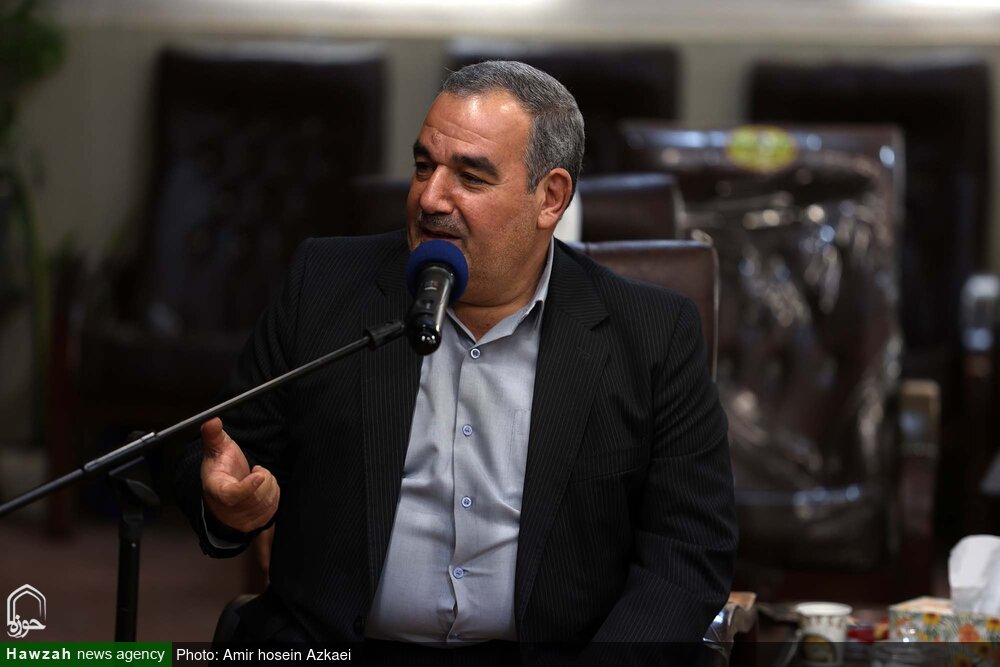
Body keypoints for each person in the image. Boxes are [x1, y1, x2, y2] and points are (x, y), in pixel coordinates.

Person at [175, 60, 737, 660]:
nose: (430, 197)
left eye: (470, 176)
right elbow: (219, 454)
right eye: (424, 166)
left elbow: (688, 552)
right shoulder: (325, 286)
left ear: (550, 198)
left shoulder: (652, 333)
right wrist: (224, 502)